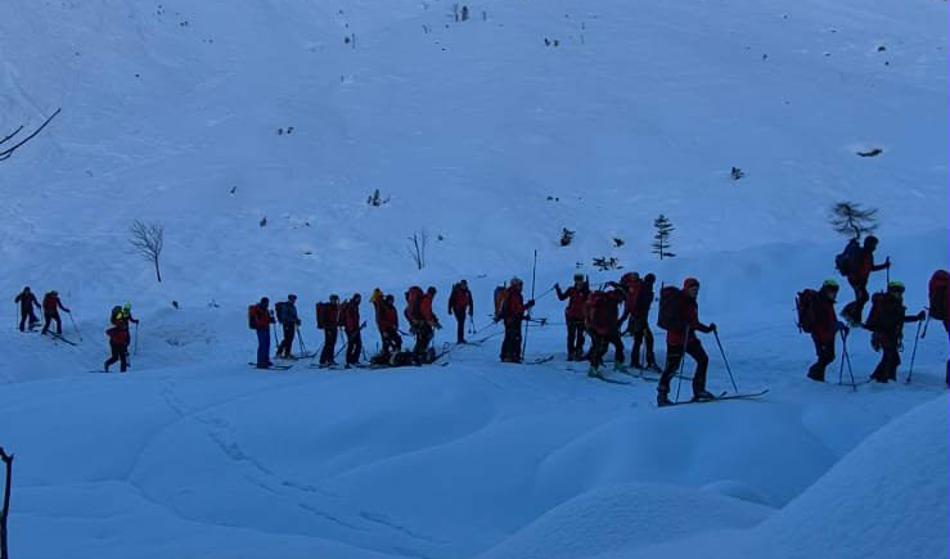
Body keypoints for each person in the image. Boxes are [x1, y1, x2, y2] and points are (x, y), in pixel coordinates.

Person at [656, 278, 718, 406]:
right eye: (693, 289)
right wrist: (683, 325)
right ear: (686, 288)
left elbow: (693, 322)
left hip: (689, 338)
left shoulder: (692, 302)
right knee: (672, 367)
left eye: (697, 290)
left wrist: (707, 329)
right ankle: (662, 396)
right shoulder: (678, 301)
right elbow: (670, 321)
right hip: (676, 340)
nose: (695, 292)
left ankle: (699, 390)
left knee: (703, 360)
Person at [866, 281, 925, 383]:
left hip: (888, 334)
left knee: (891, 358)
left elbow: (898, 319)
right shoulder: (886, 303)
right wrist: (915, 318)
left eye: (900, 291)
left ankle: (881, 378)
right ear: (890, 291)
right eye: (896, 291)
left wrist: (915, 318)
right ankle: (883, 379)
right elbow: (894, 319)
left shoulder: (892, 302)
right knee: (891, 357)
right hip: (885, 334)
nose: (898, 293)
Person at [840, 235, 890, 325]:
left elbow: (871, 268)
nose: (875, 247)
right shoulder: (861, 254)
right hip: (856, 281)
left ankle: (852, 317)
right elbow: (855, 269)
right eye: (874, 245)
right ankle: (853, 318)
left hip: (861, 282)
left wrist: (884, 266)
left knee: (862, 298)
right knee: (862, 298)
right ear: (868, 244)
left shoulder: (869, 255)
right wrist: (858, 282)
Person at [806, 280, 848, 382]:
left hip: (827, 334)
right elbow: (823, 322)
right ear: (826, 290)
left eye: (835, 292)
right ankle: (815, 377)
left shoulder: (826, 301)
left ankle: (817, 377)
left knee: (828, 356)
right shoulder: (820, 302)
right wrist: (837, 325)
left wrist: (839, 325)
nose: (834, 294)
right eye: (832, 292)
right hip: (821, 335)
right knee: (826, 356)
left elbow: (830, 319)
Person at [585, 287, 625, 376]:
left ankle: (618, 364)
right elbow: (601, 317)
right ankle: (593, 369)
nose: (622, 301)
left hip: (608, 329)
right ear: (618, 296)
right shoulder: (606, 301)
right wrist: (602, 329)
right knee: (601, 348)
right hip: (600, 329)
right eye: (622, 298)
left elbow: (611, 318)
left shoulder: (612, 301)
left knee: (618, 346)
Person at [498, 277, 535, 363]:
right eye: (520, 285)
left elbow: (518, 310)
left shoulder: (515, 294)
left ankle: (509, 355)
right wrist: (527, 306)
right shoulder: (513, 294)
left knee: (511, 337)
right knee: (513, 338)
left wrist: (523, 315)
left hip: (514, 319)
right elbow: (516, 309)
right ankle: (511, 356)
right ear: (515, 285)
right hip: (512, 320)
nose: (521, 287)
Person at [555, 274, 589, 360]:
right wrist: (558, 289)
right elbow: (562, 297)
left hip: (582, 317)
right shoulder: (571, 290)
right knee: (571, 336)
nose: (579, 282)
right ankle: (571, 353)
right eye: (577, 280)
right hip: (571, 316)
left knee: (581, 336)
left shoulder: (587, 292)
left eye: (580, 280)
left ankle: (578, 352)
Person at [629, 273, 659, 371]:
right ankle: (648, 361)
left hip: (637, 318)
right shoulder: (646, 289)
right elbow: (641, 304)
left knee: (640, 340)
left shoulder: (641, 287)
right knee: (647, 339)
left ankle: (636, 361)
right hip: (640, 318)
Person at [373, 292, 402, 358]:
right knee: (386, 342)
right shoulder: (383, 308)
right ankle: (385, 356)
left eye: (392, 300)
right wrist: (383, 331)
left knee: (398, 340)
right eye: (390, 300)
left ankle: (396, 354)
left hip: (392, 328)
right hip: (385, 328)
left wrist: (396, 326)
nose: (391, 302)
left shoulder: (393, 308)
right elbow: (381, 321)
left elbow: (396, 318)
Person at [248, 297, 275, 369]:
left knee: (267, 344)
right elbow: (259, 321)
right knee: (262, 345)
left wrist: (271, 319)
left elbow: (267, 319)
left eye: (267, 303)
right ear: (262, 303)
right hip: (261, 329)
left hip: (266, 328)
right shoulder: (258, 310)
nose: (267, 304)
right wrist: (268, 321)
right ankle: (261, 362)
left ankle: (265, 360)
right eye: (266, 303)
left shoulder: (265, 310)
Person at [274, 294, 301, 359]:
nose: (294, 300)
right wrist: (294, 320)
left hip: (291, 325)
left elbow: (294, 315)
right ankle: (280, 352)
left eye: (294, 299)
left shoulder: (293, 307)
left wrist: (297, 320)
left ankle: (287, 353)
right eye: (293, 299)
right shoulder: (286, 306)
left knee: (290, 339)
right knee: (287, 339)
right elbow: (284, 317)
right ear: (290, 299)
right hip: (287, 324)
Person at [318, 294, 341, 366]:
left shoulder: (335, 307)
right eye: (333, 300)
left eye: (336, 300)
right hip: (329, 328)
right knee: (328, 344)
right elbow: (324, 319)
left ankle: (330, 359)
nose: (335, 301)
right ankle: (323, 360)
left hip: (334, 327)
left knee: (332, 344)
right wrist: (327, 327)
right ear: (331, 300)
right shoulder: (327, 307)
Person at [341, 293, 363, 367]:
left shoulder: (355, 306)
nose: (359, 300)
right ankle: (350, 360)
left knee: (357, 344)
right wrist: (352, 330)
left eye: (359, 299)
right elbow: (349, 319)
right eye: (358, 298)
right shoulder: (351, 306)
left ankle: (353, 360)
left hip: (355, 328)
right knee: (352, 345)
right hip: (351, 329)